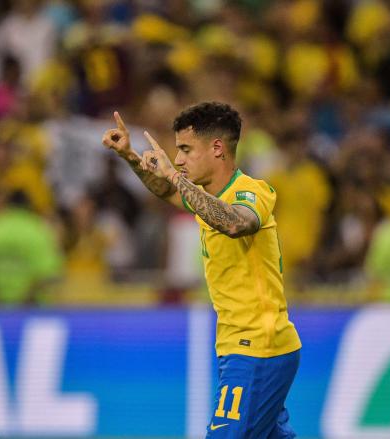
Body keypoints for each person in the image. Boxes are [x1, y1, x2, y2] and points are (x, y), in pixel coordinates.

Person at [102, 102, 301, 438]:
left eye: (185, 149)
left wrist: (177, 181)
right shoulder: (207, 196)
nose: (178, 160)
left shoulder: (251, 191)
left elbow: (236, 223)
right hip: (242, 346)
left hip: (258, 347)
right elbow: (168, 190)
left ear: (218, 148)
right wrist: (131, 158)